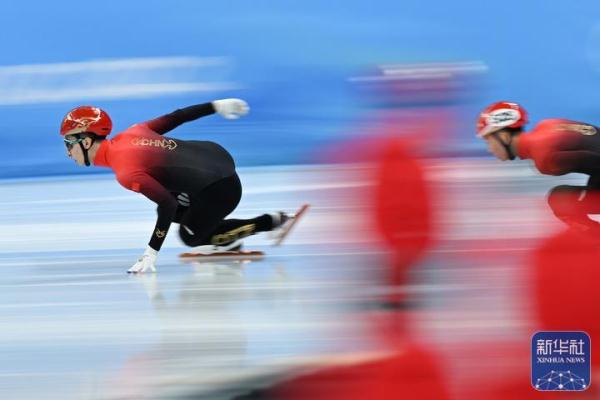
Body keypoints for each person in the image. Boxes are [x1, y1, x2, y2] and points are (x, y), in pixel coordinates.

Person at [60, 99, 290, 273]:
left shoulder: (126, 172)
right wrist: (217, 105)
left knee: (191, 237)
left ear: (87, 141)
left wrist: (151, 252)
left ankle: (270, 222)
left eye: (69, 142)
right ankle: (214, 230)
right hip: (215, 157)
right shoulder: (133, 132)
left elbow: (166, 206)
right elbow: (177, 116)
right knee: (177, 206)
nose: (67, 151)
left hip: (220, 189)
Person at [477, 101, 600, 234]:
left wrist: (588, 195)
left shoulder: (544, 158)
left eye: (488, 141)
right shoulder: (547, 124)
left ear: (504, 137)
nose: (489, 149)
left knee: (560, 200)